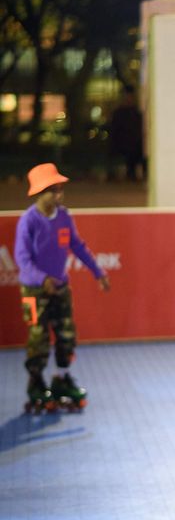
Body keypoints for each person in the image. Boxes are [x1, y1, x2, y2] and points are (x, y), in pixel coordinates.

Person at [15, 163, 110, 412]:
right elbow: (22, 259)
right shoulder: (29, 221)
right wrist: (42, 279)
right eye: (54, 190)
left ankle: (61, 379)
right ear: (40, 192)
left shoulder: (65, 216)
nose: (60, 194)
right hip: (34, 291)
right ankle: (36, 384)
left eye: (60, 189)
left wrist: (98, 272)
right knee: (39, 339)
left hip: (60, 288)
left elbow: (77, 246)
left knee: (66, 336)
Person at [109, 87, 145, 181]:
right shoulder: (120, 113)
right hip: (125, 144)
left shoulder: (136, 113)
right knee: (128, 165)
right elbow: (114, 130)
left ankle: (131, 177)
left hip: (134, 145)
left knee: (132, 165)